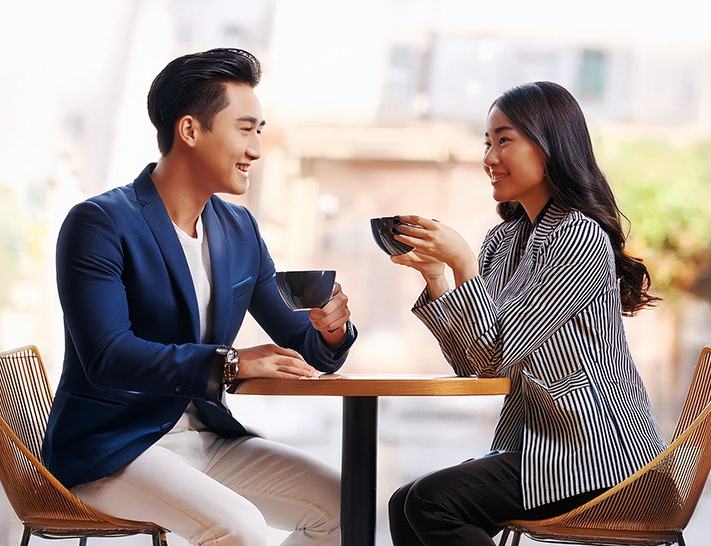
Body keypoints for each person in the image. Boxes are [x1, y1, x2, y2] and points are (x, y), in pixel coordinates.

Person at [41, 48, 357, 546]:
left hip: (207, 438)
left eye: (259, 130)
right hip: (113, 446)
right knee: (241, 529)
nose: (256, 148)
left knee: (347, 507)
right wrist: (230, 364)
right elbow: (107, 356)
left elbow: (301, 341)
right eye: (245, 129)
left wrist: (331, 328)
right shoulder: (99, 223)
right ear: (190, 131)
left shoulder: (238, 230)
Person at [385, 81, 665, 545]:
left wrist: (462, 264)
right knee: (404, 501)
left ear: (550, 145)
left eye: (505, 139)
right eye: (487, 143)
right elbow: (475, 366)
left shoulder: (581, 236)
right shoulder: (505, 241)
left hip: (601, 455)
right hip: (541, 446)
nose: (490, 157)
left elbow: (498, 352)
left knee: (430, 502)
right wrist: (438, 278)